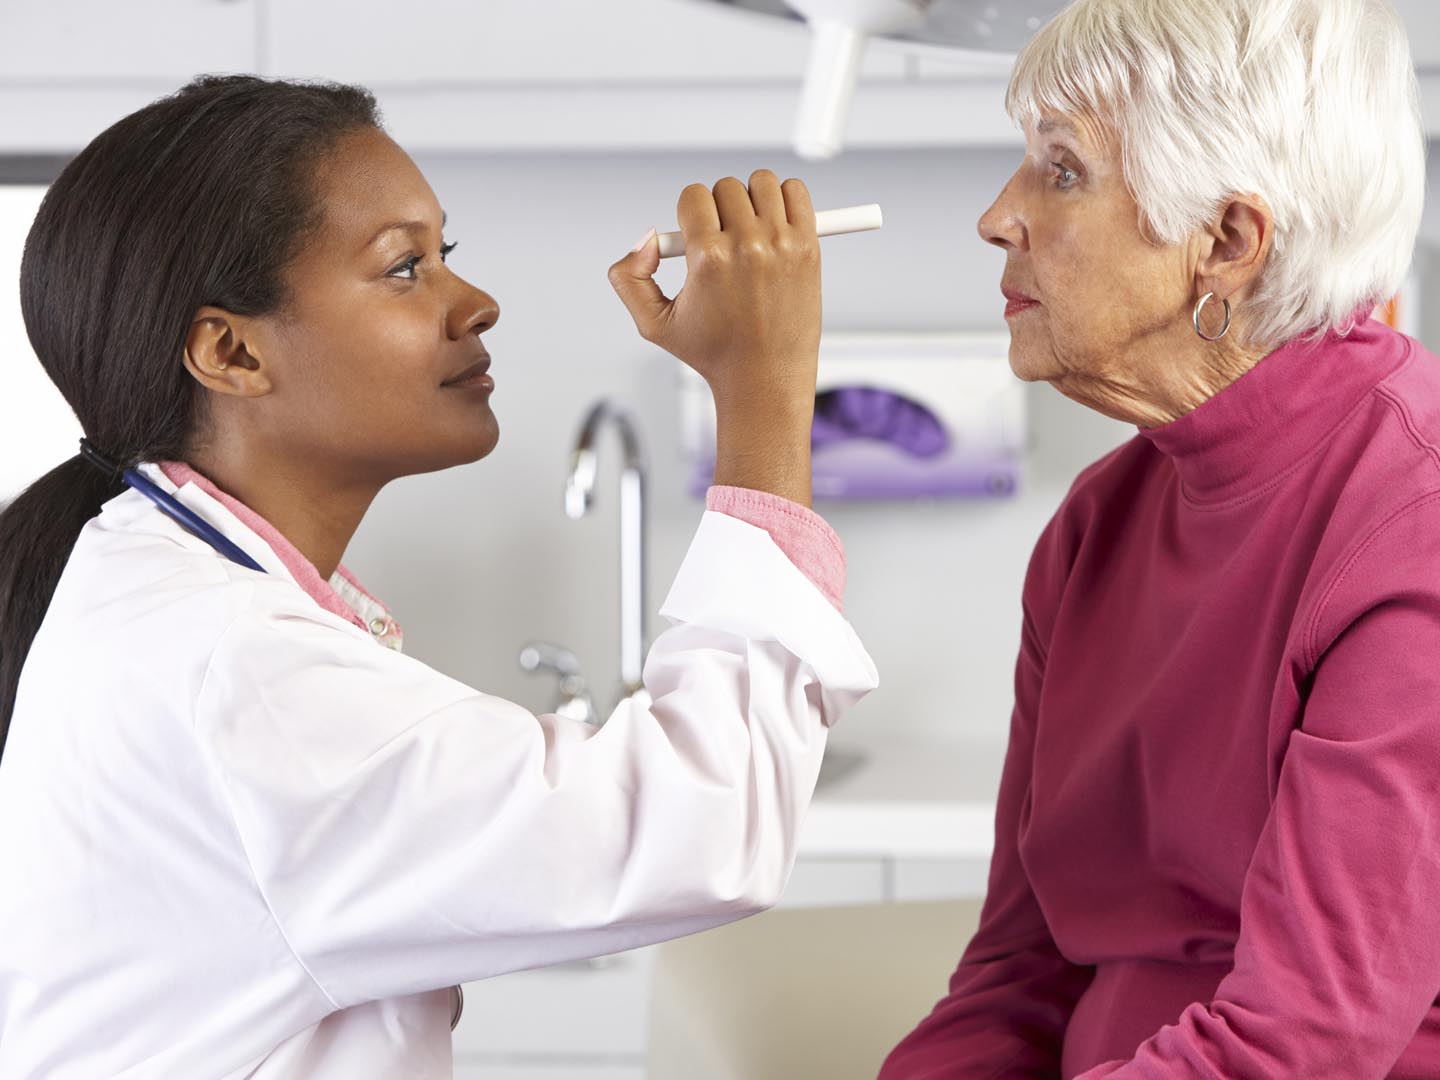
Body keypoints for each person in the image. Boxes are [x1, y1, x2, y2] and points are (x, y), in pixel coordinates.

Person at [0, 74, 876, 1078]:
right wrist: (764, 393)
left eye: (444, 254)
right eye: (405, 268)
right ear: (232, 351)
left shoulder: (170, 595)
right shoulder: (235, 666)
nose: (476, 303)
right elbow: (699, 825)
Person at [880, 0, 1439, 1076]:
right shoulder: (1097, 523)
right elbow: (1014, 973)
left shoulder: (1410, 526)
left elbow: (1299, 1046)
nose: (1000, 215)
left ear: (1226, 242)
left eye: (1063, 169)